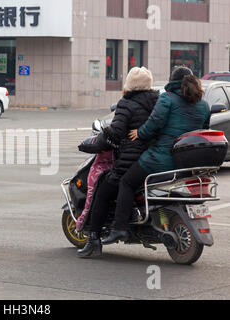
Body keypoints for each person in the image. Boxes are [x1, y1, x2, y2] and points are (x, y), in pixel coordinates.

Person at [102, 66, 210, 245]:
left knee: (127, 182)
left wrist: (140, 133)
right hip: (188, 161)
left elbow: (155, 122)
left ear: (172, 81)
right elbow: (203, 130)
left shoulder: (167, 98)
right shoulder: (203, 105)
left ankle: (119, 228)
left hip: (161, 158)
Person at [77, 67, 159, 258]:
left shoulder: (126, 103)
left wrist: (97, 142)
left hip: (130, 160)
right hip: (153, 158)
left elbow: (115, 133)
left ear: (130, 84)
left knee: (102, 191)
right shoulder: (157, 102)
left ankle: (94, 240)